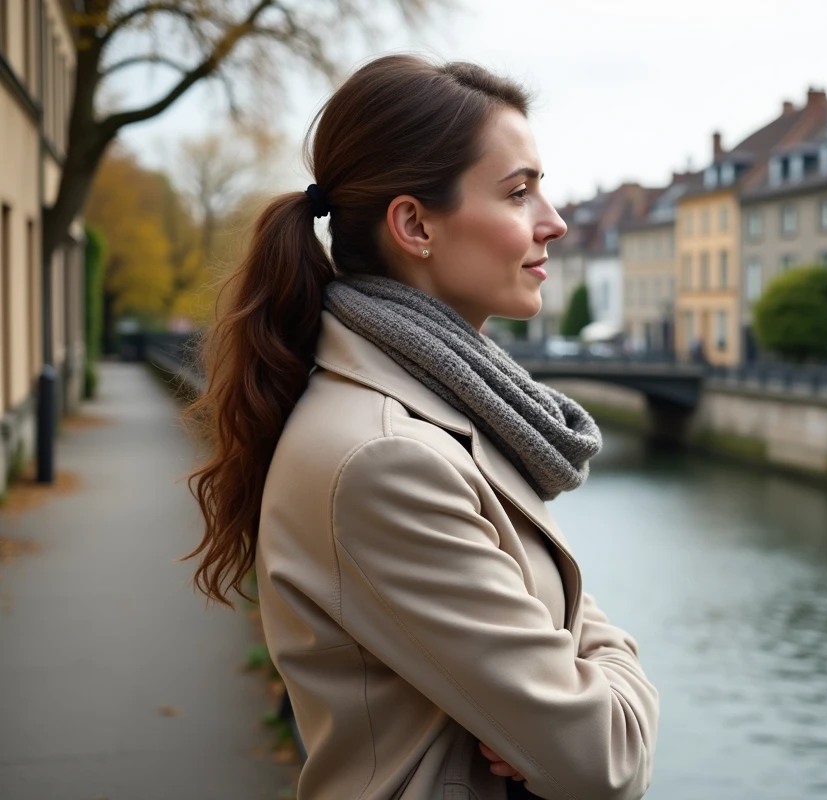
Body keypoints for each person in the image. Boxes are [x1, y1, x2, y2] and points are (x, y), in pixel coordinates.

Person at [183, 55, 658, 800]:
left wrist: (568, 674)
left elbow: (569, 690)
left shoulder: (433, 415)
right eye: (519, 192)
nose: (554, 221)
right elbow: (604, 759)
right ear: (414, 224)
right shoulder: (387, 458)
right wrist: (607, 682)